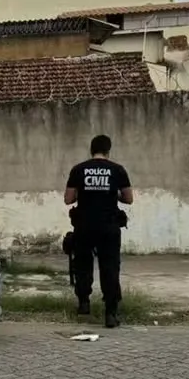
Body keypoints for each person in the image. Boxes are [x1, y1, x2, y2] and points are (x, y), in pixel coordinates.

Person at [64, 134, 133, 328]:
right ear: (108, 151)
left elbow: (68, 199)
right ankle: (110, 314)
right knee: (110, 268)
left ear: (91, 150)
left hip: (84, 226)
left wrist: (83, 191)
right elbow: (128, 199)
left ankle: (84, 304)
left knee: (83, 265)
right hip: (109, 227)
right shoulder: (117, 170)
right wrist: (113, 193)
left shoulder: (78, 170)